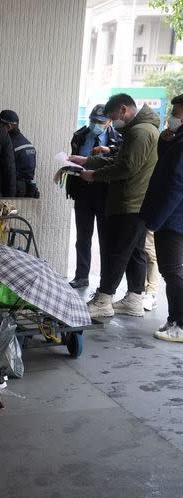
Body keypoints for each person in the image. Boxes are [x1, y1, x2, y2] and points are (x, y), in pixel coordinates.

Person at [71, 94, 160, 318]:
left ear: (123, 110)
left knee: (116, 251)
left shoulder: (140, 132)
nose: (112, 122)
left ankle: (104, 299)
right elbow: (122, 160)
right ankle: (134, 298)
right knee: (134, 252)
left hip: (130, 201)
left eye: (112, 117)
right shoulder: (141, 129)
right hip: (137, 201)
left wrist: (94, 175)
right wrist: (87, 161)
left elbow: (127, 167)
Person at [140, 94, 183, 342]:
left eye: (176, 111)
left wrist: (157, 220)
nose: (172, 116)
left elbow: (176, 183)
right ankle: (174, 319)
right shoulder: (177, 138)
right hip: (172, 217)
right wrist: (166, 141)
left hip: (173, 218)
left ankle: (180, 323)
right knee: (172, 270)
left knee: (172, 271)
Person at [66, 104, 122, 289]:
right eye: (93, 120)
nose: (95, 124)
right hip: (83, 190)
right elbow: (75, 158)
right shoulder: (80, 135)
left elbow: (120, 164)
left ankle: (106, 282)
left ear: (109, 122)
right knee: (83, 237)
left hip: (105, 193)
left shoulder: (118, 139)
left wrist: (110, 150)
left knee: (106, 238)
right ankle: (81, 276)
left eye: (100, 121)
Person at [0, 110, 39, 198]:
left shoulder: (9, 144)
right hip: (27, 190)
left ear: (8, 127)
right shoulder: (28, 144)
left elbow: (6, 171)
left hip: (13, 191)